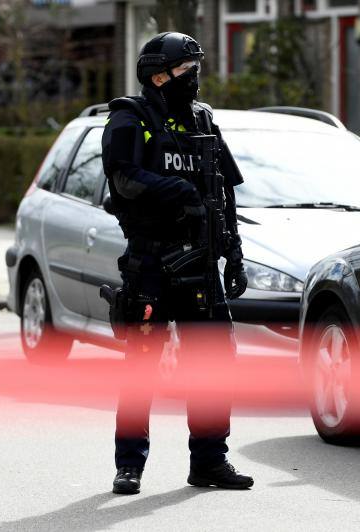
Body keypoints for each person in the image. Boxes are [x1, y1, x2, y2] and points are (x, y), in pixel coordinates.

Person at [101, 32, 253, 495]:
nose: (196, 80)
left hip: (203, 267)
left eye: (197, 70)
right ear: (159, 76)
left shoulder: (204, 120)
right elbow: (123, 179)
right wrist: (178, 193)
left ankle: (210, 461)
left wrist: (235, 254)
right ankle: (130, 465)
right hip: (152, 263)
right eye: (188, 71)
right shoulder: (130, 118)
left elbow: (224, 191)